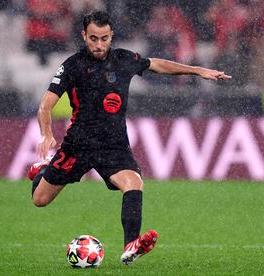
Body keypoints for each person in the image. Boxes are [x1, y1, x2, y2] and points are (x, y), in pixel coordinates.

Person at [27, 10, 231, 266]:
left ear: (111, 35)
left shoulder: (124, 59)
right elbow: (45, 107)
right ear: (84, 36)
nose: (99, 45)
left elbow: (158, 64)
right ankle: (45, 169)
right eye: (93, 39)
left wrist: (197, 71)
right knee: (40, 200)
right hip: (78, 145)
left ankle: (131, 245)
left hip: (114, 146)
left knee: (134, 183)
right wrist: (46, 134)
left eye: (104, 38)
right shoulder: (72, 66)